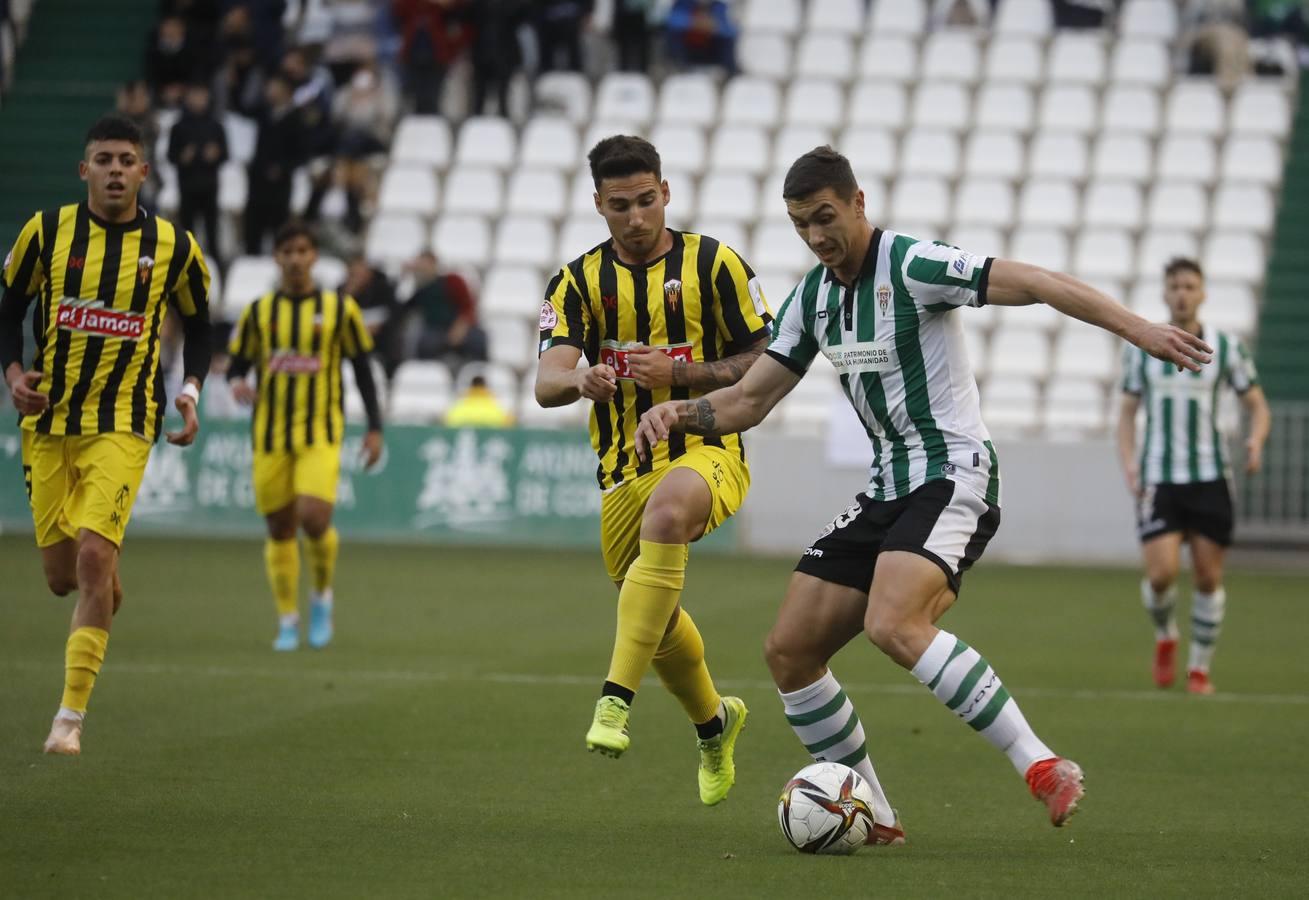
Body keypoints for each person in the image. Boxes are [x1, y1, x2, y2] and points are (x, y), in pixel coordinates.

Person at [634, 146, 1213, 836]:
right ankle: (873, 812)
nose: (817, 236)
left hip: (952, 472)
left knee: (892, 623)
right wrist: (679, 408)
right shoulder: (812, 300)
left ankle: (1041, 763)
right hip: (886, 487)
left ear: (857, 203)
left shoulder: (911, 264)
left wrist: (1138, 328)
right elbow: (748, 402)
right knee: (788, 651)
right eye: (799, 225)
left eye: (824, 217)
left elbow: (1034, 280)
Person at [534, 135, 773, 806]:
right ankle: (713, 723)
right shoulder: (577, 280)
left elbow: (769, 360)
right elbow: (546, 380)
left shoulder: (717, 264)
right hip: (619, 470)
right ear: (598, 206)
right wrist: (580, 379)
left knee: (668, 514)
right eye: (619, 206)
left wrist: (683, 376)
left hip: (707, 448)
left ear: (664, 193)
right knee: (654, 615)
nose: (635, 218)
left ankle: (614, 701)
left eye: (645, 201)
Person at [0, 114, 213, 755]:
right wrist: (12, 374)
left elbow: (202, 325)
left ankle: (69, 719)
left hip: (125, 420)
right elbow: (6, 315)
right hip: (48, 422)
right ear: (84, 169)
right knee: (65, 577)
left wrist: (190, 388)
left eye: (126, 159)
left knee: (92, 556)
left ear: (144, 172)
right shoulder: (45, 234)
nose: (115, 169)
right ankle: (106, 577)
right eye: (104, 159)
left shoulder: (174, 246)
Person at [226, 220, 384, 652]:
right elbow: (237, 363)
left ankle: (320, 596)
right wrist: (237, 382)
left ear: (314, 257)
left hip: (320, 433)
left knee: (314, 518)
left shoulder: (339, 309)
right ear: (277, 258)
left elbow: (363, 369)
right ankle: (287, 619)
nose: (295, 259)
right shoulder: (259, 313)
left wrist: (374, 427)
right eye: (287, 251)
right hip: (270, 436)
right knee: (279, 528)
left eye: (302, 251)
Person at [1117, 257, 1270, 695]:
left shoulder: (1226, 347)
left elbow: (1256, 404)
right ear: (1165, 294)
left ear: (1202, 293)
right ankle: (1166, 635)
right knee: (1162, 574)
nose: (1182, 293)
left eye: (1189, 286)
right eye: (1174, 286)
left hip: (1210, 477)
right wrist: (1129, 461)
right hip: (1159, 478)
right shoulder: (1141, 349)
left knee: (1207, 577)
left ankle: (1199, 669)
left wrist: (1256, 439)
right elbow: (1127, 413)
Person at [168, 81, 229, 267]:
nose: (198, 100)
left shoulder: (216, 126)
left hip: (210, 186)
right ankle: (187, 265)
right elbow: (171, 156)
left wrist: (216, 155)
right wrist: (182, 157)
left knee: (212, 229)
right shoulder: (178, 127)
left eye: (202, 95)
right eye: (194, 95)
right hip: (187, 186)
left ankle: (216, 267)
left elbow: (226, 154)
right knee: (188, 229)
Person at [244, 74, 303, 254]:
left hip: (280, 186)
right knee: (253, 230)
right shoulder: (263, 114)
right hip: (257, 183)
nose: (270, 91)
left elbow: (301, 153)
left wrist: (283, 168)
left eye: (275, 87)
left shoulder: (297, 119)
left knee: (278, 231)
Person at [402, 250, 487, 370]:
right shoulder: (420, 289)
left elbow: (468, 307)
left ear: (434, 264)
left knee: (479, 341)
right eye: (421, 264)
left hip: (459, 326)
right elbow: (402, 307)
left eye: (427, 263)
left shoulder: (452, 280)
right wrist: (405, 278)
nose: (424, 268)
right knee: (424, 345)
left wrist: (460, 327)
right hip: (435, 331)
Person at [445, 374, 514, 428]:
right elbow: (508, 424)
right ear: (485, 386)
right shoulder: (497, 406)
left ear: (471, 386)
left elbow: (448, 422)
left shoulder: (459, 406)